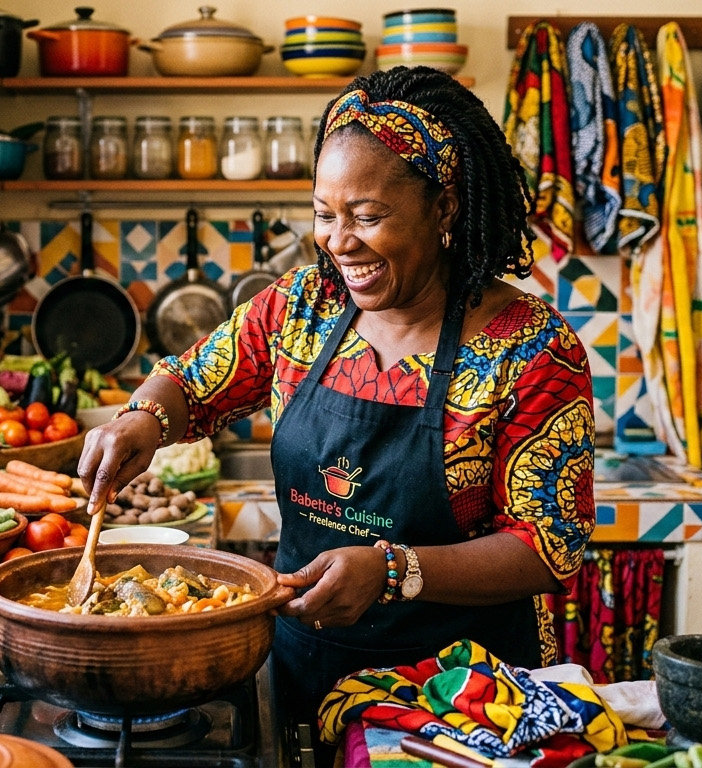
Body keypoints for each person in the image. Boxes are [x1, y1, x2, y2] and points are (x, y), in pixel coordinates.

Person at [78, 66, 595, 751]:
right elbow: (192, 381)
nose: (338, 241)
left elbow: (548, 546)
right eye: (325, 213)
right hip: (305, 669)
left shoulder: (530, 347)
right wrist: (142, 418)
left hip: (461, 697)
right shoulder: (302, 307)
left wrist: (394, 571)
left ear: (444, 209)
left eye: (367, 216)